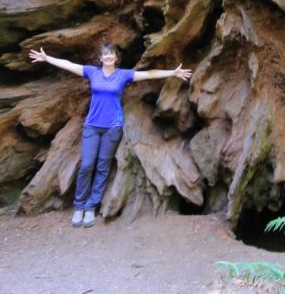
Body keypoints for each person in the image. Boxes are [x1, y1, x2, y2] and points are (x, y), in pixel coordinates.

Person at [28, 43, 191, 227]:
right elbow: (69, 65)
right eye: (105, 55)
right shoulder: (93, 72)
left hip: (112, 127)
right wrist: (47, 58)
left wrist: (172, 73)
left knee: (102, 167)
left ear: (116, 58)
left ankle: (90, 207)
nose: (108, 57)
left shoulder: (122, 75)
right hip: (92, 126)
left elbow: (147, 74)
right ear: (101, 58)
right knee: (87, 164)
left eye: (111, 54)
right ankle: (79, 206)